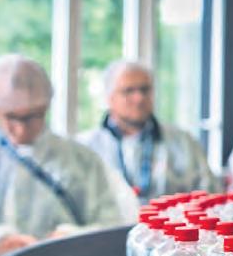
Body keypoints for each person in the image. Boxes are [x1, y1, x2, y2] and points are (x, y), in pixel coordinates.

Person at [0, 54, 135, 256]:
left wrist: (72, 238)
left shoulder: (82, 161)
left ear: (46, 107)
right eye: (11, 117)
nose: (22, 128)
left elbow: (113, 227)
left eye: (32, 116)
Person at [78, 60, 219, 200]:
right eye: (129, 91)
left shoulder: (184, 142)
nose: (139, 98)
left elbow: (211, 195)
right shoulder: (85, 148)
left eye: (145, 90)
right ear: (110, 98)